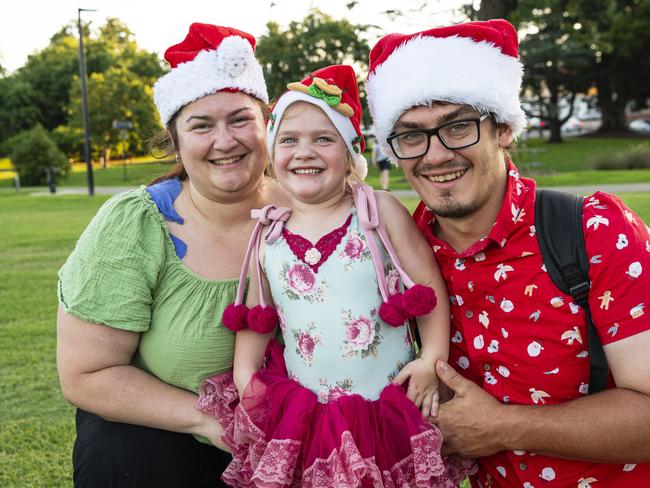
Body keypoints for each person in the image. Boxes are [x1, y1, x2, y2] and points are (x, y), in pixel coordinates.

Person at [366, 18, 650, 487]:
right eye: (411, 135)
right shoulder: (390, 253)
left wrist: (501, 426)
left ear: (502, 129)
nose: (435, 155)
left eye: (457, 126)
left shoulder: (592, 231)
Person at [196, 65, 474, 486]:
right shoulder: (268, 230)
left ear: (349, 152)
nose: (304, 152)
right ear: (273, 153)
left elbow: (427, 291)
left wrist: (430, 360)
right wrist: (245, 376)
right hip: (307, 414)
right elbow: (257, 315)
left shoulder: (378, 211)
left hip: (386, 410)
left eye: (323, 139)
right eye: (289, 140)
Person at [56, 23, 288, 487]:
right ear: (177, 140)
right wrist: (212, 422)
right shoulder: (137, 224)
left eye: (240, 119)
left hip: (296, 435)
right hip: (161, 438)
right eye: (201, 125)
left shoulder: (314, 211)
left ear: (268, 123)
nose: (225, 141)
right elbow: (87, 374)